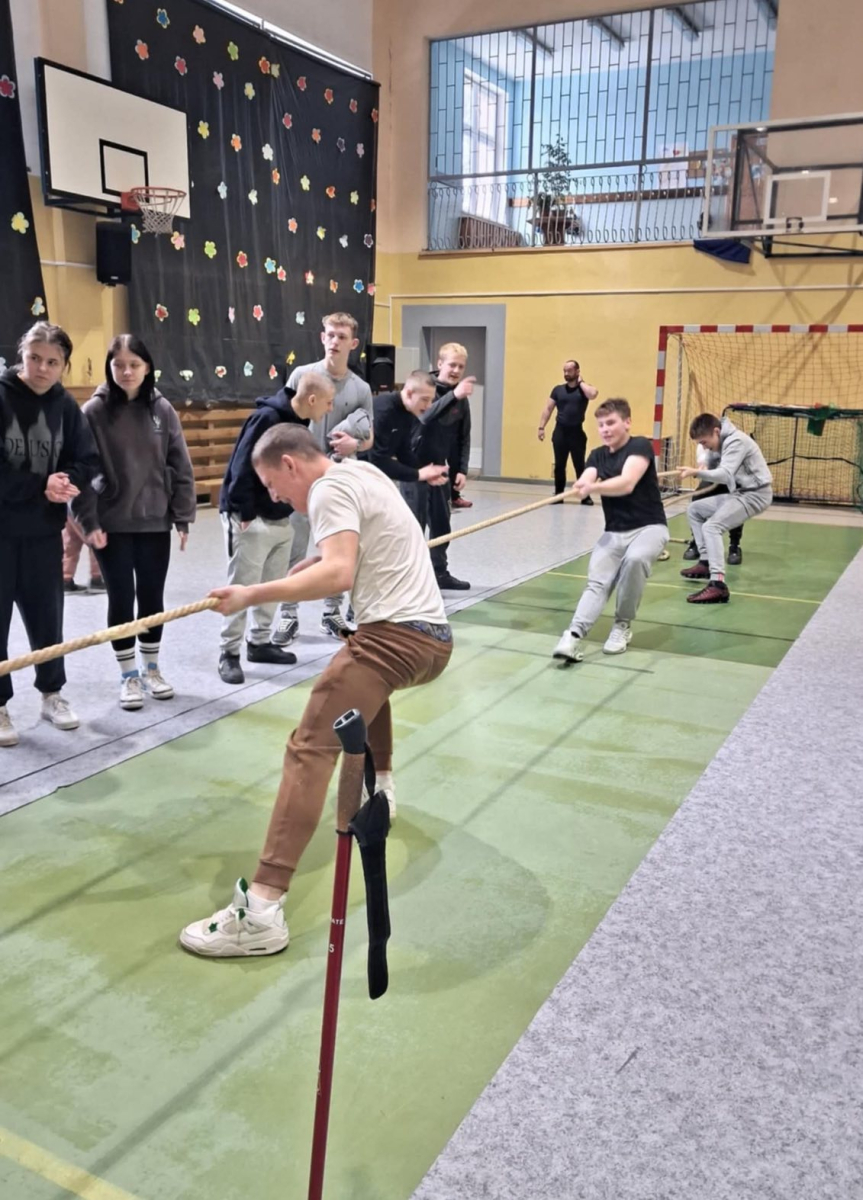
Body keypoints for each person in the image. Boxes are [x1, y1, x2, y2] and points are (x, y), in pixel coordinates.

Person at [180, 425, 453, 957]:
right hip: (435, 642)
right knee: (363, 689)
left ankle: (261, 911)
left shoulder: (327, 489)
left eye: (272, 484)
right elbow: (360, 549)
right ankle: (382, 790)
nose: (277, 496)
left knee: (308, 748)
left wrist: (251, 594)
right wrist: (315, 562)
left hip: (395, 639)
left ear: (290, 464)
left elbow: (339, 574)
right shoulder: (362, 472)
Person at [72, 334, 197, 710]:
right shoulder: (93, 411)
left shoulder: (163, 410)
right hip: (112, 523)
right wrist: (88, 521)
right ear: (109, 368)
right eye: (118, 365)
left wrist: (182, 516)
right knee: (121, 597)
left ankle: (151, 669)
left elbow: (180, 464)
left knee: (153, 598)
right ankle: (128, 675)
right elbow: (80, 471)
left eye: (134, 365)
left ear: (147, 368)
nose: (126, 372)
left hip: (154, 521)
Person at [0, 321, 100, 748]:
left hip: (43, 532)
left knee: (47, 617)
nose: (42, 368)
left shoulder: (65, 407)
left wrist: (65, 481)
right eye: (34, 358)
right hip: (2, 532)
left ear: (64, 366)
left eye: (52, 362)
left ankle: (51, 693)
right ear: (21, 355)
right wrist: (38, 485)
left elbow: (87, 459)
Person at [216, 370, 335, 683]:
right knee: (243, 583)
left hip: (280, 516)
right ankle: (229, 652)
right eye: (328, 402)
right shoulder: (267, 418)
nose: (331, 408)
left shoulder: (300, 425)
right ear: (312, 399)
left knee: (272, 581)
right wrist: (244, 511)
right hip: (250, 516)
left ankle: (259, 642)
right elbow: (242, 463)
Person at [273, 313, 374, 645]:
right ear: (322, 337)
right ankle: (288, 615)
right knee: (294, 548)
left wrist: (354, 444)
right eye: (330, 335)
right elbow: (281, 424)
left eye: (342, 337)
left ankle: (332, 612)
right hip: (301, 481)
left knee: (339, 549)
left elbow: (369, 438)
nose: (335, 341)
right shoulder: (302, 376)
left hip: (340, 482)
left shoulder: (361, 388)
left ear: (353, 343)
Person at [553, 398, 669, 663]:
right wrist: (582, 484)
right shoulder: (597, 454)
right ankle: (573, 636)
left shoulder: (640, 446)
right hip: (614, 532)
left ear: (627, 422)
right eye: (601, 425)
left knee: (635, 559)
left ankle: (622, 626)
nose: (605, 429)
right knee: (597, 582)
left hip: (650, 527)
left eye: (611, 423)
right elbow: (588, 476)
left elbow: (627, 483)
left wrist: (593, 488)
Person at [678, 412, 773, 604]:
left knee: (711, 527)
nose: (704, 447)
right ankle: (706, 561)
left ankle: (718, 585)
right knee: (694, 510)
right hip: (740, 492)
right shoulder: (721, 442)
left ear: (716, 431)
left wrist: (696, 472)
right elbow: (717, 469)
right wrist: (703, 468)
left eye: (704, 442)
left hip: (755, 495)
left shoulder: (736, 441)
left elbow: (725, 474)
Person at [404, 342, 475, 592]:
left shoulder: (460, 397)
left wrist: (460, 470)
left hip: (440, 470)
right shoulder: (425, 387)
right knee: (415, 524)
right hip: (414, 469)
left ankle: (439, 572)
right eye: (452, 365)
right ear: (440, 363)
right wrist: (453, 396)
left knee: (442, 524)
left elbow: (462, 437)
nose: (456, 370)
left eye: (461, 367)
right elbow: (424, 416)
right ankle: (409, 576)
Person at [366, 370, 449, 489]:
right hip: (355, 473)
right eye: (425, 399)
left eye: (431, 400)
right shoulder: (384, 410)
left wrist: (425, 472)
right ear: (409, 394)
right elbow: (377, 460)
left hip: (372, 476)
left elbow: (403, 451)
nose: (429, 406)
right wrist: (418, 474)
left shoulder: (408, 412)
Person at [537, 359, 599, 502]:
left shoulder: (584, 390)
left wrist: (581, 382)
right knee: (559, 465)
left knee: (579, 465)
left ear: (577, 371)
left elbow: (593, 394)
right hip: (560, 432)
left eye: (569, 371)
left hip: (577, 432)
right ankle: (559, 495)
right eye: (564, 371)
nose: (566, 373)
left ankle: (585, 496)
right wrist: (541, 427)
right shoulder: (558, 390)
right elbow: (548, 409)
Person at [681, 443, 744, 565]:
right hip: (712, 479)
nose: (703, 444)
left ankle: (735, 545)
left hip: (732, 480)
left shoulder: (732, 444)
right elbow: (704, 467)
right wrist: (700, 470)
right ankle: (698, 542)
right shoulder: (702, 444)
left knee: (737, 504)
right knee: (697, 499)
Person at [62, 514, 105, 592]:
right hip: (88, 514)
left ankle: (66, 579)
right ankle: (96, 579)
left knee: (71, 543)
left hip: (70, 513)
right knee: (96, 542)